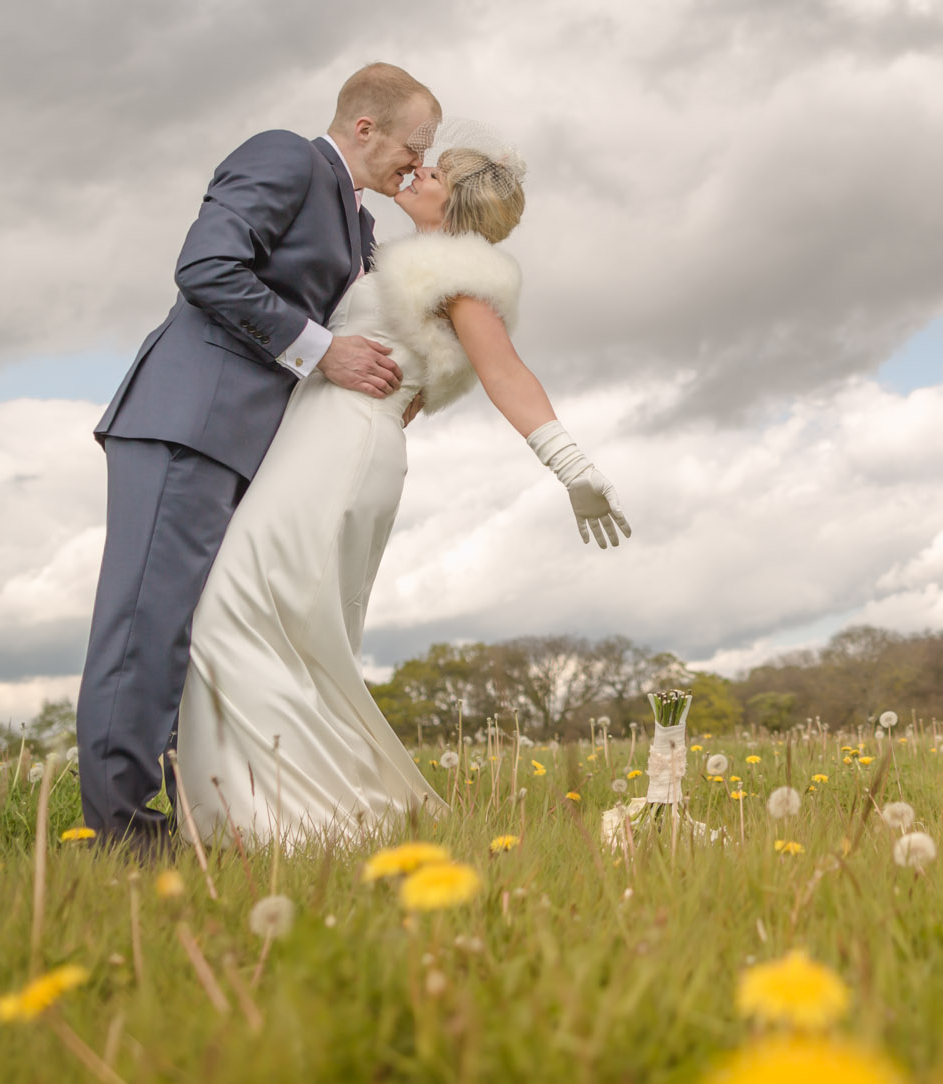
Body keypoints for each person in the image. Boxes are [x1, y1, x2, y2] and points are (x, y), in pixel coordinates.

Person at [172, 122, 630, 845]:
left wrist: (573, 467)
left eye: (436, 174)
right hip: (320, 439)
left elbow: (505, 372)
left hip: (345, 445)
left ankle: (292, 821)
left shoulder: (461, 276)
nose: (418, 174)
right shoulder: (399, 259)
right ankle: (276, 811)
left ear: (461, 206)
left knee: (240, 612)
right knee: (282, 624)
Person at [76, 63, 439, 849]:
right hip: (189, 422)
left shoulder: (362, 222)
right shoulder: (287, 156)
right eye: (414, 145)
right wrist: (321, 352)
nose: (417, 162)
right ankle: (122, 839)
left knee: (202, 632)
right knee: (148, 630)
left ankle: (198, 817)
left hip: (255, 446)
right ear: (365, 127)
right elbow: (206, 266)